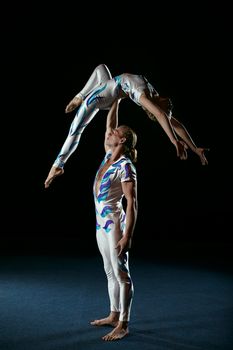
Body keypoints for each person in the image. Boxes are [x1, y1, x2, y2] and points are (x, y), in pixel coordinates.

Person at [44, 64, 208, 188]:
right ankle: (80, 95)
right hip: (111, 89)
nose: (170, 106)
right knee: (101, 68)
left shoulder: (144, 97)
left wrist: (174, 141)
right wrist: (194, 148)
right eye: (169, 110)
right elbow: (176, 124)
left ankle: (58, 166)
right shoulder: (154, 93)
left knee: (76, 128)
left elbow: (161, 115)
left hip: (103, 97)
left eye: (169, 110)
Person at [89, 99, 137, 341]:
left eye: (116, 132)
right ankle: (113, 314)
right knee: (109, 271)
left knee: (121, 273)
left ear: (123, 140)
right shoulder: (108, 155)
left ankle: (124, 324)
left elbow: (133, 204)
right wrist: (116, 99)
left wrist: (127, 235)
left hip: (115, 224)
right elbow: (110, 122)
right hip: (101, 223)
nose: (110, 132)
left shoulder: (125, 167)